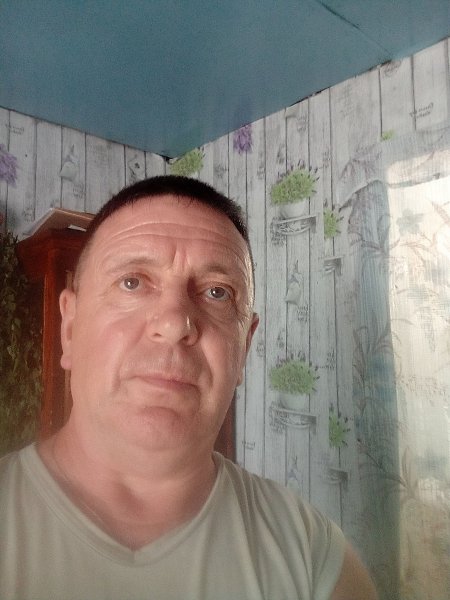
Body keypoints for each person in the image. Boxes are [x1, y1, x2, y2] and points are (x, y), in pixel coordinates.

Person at [0, 175, 377, 599]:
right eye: (132, 282)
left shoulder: (311, 554)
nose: (175, 323)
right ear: (69, 328)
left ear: (244, 347)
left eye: (217, 292)